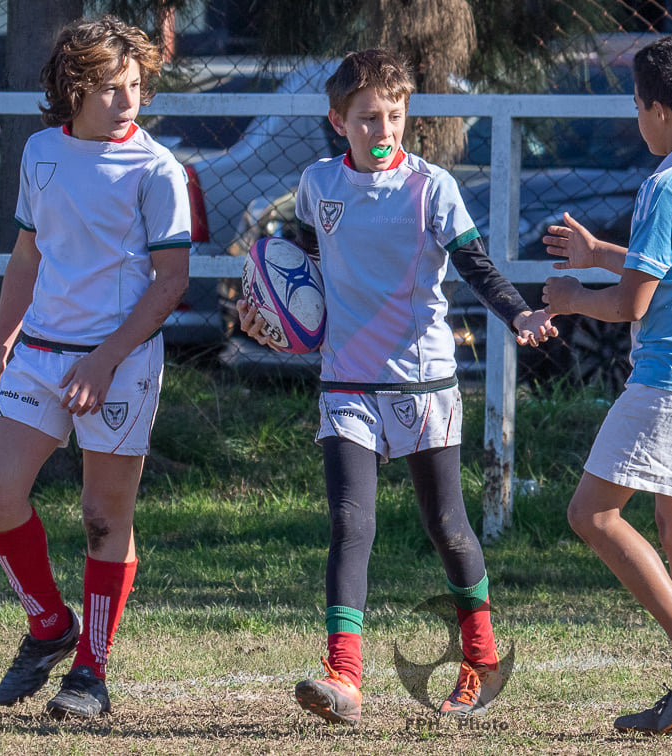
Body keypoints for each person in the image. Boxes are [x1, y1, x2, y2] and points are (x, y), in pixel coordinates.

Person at [237, 48, 556, 725]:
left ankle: (481, 657)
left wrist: (520, 313)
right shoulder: (318, 185)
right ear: (337, 121)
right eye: (368, 118)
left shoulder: (431, 186)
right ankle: (344, 677)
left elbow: (476, 266)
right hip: (346, 380)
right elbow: (304, 280)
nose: (383, 130)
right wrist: (267, 318)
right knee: (351, 522)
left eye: (395, 116)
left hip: (423, 380)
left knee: (447, 526)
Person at [0, 16, 191, 720]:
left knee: (101, 516)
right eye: (112, 89)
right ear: (73, 90)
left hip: (119, 361)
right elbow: (28, 259)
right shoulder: (40, 153)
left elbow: (171, 281)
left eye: (136, 87)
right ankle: (48, 626)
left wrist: (106, 357)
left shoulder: (158, 169)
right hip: (39, 355)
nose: (129, 101)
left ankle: (91, 671)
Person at [541, 34, 672, 737]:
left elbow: (631, 305)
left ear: (656, 111)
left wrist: (572, 294)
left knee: (591, 515)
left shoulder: (663, 185)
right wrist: (607, 254)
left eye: (636, 105)